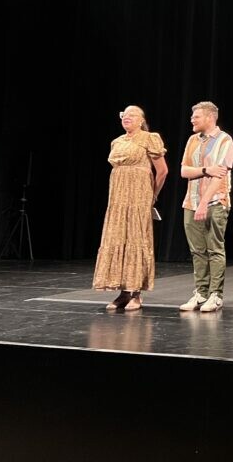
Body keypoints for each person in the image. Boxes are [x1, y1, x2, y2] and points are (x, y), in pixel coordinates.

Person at [93, 105, 168, 311]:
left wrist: (152, 195)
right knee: (118, 238)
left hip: (139, 197)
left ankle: (136, 293)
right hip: (118, 198)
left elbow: (162, 171)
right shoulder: (117, 141)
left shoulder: (149, 138)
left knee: (136, 238)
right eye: (124, 115)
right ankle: (123, 293)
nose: (127, 118)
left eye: (132, 115)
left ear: (141, 120)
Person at [179, 101, 233, 313]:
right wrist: (205, 169)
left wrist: (204, 202)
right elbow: (184, 171)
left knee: (214, 248)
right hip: (191, 201)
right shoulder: (192, 140)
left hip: (215, 202)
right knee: (197, 250)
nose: (192, 120)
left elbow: (219, 174)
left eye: (197, 117)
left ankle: (215, 295)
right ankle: (200, 292)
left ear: (210, 118)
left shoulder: (225, 140)